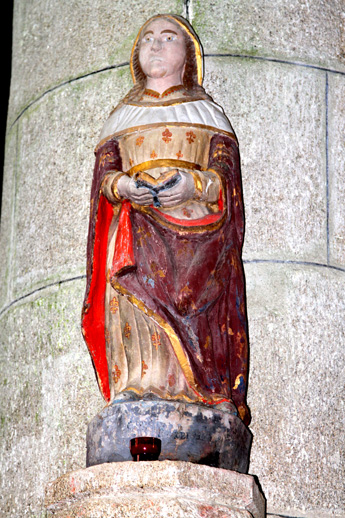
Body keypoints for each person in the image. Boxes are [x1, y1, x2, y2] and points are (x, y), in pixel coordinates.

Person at [82, 14, 250, 426]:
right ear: (137, 56)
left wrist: (195, 185)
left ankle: (203, 391)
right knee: (131, 291)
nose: (156, 45)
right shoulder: (121, 116)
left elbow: (225, 174)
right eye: (148, 39)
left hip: (197, 235)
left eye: (168, 37)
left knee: (200, 307)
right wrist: (122, 186)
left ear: (187, 55)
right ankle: (137, 385)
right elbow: (104, 175)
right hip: (135, 226)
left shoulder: (208, 114)